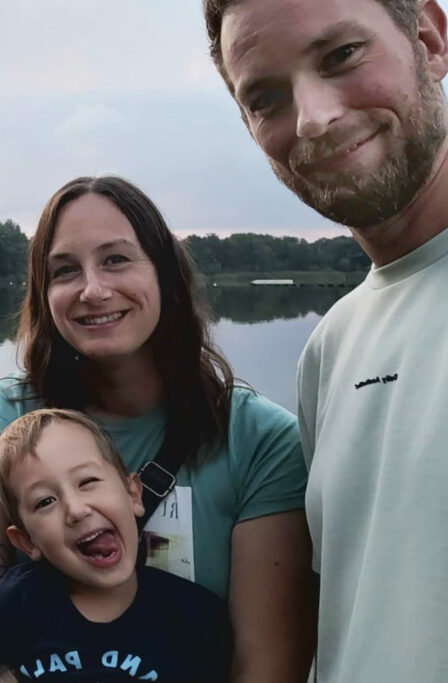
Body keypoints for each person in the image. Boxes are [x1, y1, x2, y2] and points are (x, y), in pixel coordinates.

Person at [0, 175, 317, 682]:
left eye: (116, 259)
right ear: (45, 293)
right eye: (64, 270)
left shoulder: (262, 441)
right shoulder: (8, 416)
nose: (93, 289)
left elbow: (264, 667)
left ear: (166, 275)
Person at [203, 0, 448, 679]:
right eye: (266, 97)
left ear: (428, 39)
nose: (313, 118)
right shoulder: (329, 347)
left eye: (340, 56)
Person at [0, 409, 231, 682]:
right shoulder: (11, 605)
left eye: (87, 482)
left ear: (133, 494)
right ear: (27, 541)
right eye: (45, 501)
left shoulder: (194, 616)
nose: (76, 509)